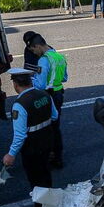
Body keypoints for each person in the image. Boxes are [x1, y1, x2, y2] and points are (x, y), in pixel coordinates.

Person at [3, 68, 58, 207]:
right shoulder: (44, 95)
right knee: (46, 177)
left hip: (32, 149)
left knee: (36, 182)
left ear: (15, 84)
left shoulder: (20, 105)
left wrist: (11, 154)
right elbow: (54, 116)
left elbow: (20, 135)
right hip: (47, 142)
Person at [23, 33, 68, 168]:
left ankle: (48, 157)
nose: (34, 53)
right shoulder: (59, 56)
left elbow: (41, 85)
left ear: (37, 46)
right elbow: (65, 78)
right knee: (56, 126)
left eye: (33, 50)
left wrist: (31, 77)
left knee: (46, 128)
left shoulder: (43, 60)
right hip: (59, 93)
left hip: (48, 96)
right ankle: (58, 156)